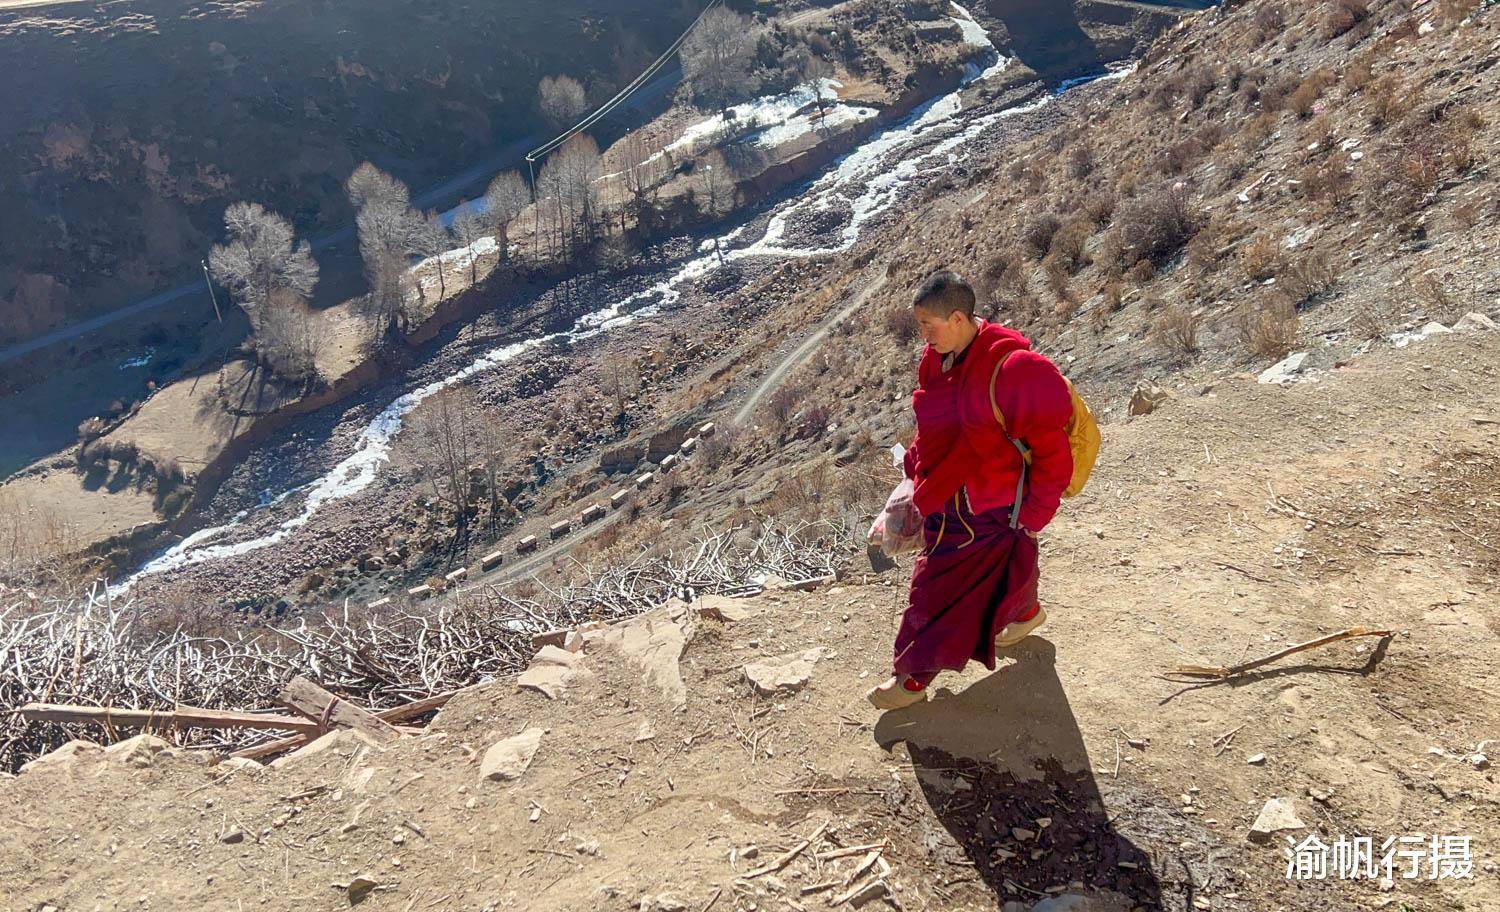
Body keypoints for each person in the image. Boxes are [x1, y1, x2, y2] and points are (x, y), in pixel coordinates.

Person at [867, 270, 1075, 710]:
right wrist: (913, 470)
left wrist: (1035, 516)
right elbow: (935, 428)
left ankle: (911, 677)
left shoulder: (1016, 370)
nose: (923, 335)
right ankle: (1024, 613)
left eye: (929, 325)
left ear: (959, 318)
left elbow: (1053, 454)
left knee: (934, 587)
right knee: (1005, 566)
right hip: (945, 491)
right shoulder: (936, 359)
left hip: (990, 503)